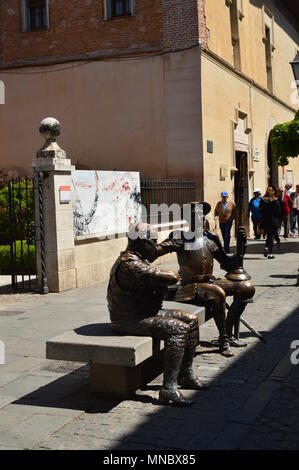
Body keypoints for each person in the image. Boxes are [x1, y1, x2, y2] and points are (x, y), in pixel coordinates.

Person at [107, 223, 208, 407]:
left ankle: (185, 374)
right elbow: (170, 277)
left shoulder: (139, 260)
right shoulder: (129, 264)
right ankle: (168, 389)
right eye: (152, 243)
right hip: (129, 319)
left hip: (146, 312)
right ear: (141, 242)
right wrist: (171, 276)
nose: (155, 247)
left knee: (191, 321)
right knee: (178, 329)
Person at [157, 202, 255, 352]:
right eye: (195, 214)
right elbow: (158, 250)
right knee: (217, 293)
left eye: (201, 214)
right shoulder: (180, 237)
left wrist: (242, 246)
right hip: (191, 286)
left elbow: (228, 264)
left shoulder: (211, 238)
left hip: (210, 282)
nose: (200, 217)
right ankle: (223, 340)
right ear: (188, 219)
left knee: (246, 288)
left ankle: (228, 332)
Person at [260, 187, 282, 259]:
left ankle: (266, 247)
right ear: (273, 192)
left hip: (265, 220)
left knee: (269, 235)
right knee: (271, 236)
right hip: (273, 220)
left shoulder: (263, 200)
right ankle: (270, 253)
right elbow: (279, 211)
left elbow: (260, 209)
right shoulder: (276, 200)